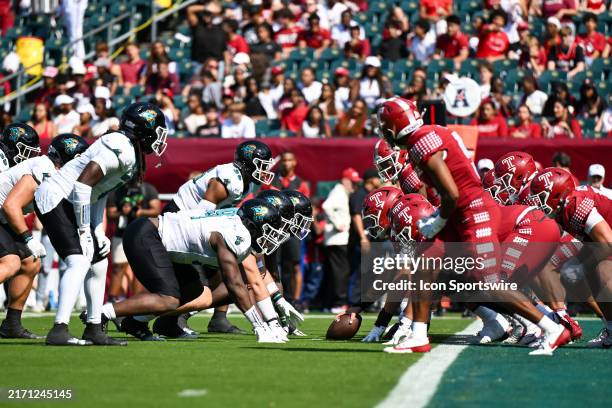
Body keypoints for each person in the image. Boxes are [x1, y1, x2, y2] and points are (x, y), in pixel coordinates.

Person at [33, 102, 168, 346]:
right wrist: (85, 231)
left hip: (72, 201)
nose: (160, 138)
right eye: (157, 131)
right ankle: (59, 329)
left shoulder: (129, 152)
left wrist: (96, 230)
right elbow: (83, 185)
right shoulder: (120, 148)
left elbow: (99, 191)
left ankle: (95, 327)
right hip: (56, 196)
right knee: (79, 261)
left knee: (99, 262)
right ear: (144, 130)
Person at [99, 199, 288, 343]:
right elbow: (234, 283)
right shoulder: (235, 234)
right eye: (268, 231)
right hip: (148, 236)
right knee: (168, 299)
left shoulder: (236, 225)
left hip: (161, 241)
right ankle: (102, 313)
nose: (271, 237)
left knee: (193, 289)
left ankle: (136, 322)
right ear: (253, 227)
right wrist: (259, 326)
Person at [156, 140, 275, 336]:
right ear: (247, 163)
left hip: (197, 222)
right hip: (182, 221)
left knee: (226, 272)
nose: (265, 171)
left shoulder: (244, 184)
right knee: (201, 283)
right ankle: (163, 317)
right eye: (261, 165)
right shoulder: (230, 179)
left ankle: (217, 319)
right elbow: (201, 215)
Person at [0, 134, 88, 339]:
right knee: (11, 263)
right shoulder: (44, 169)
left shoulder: (49, 171)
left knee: (31, 262)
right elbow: (11, 206)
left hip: (2, 218)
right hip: (3, 214)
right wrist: (29, 238)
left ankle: (11, 324)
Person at [261, 151, 310, 303]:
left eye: (289, 160)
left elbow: (306, 207)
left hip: (293, 229)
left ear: (294, 162)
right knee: (273, 266)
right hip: (274, 229)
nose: (286, 163)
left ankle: (296, 300)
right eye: (283, 160)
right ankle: (275, 299)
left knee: (295, 264)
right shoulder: (271, 180)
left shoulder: (301, 183)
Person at [106, 181, 161, 304]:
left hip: (142, 234)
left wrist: (139, 212)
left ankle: (137, 298)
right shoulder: (117, 190)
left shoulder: (148, 189)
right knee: (118, 268)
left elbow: (156, 210)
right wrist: (123, 212)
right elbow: (110, 213)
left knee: (140, 268)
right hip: (122, 235)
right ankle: (112, 300)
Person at [321, 168, 361, 312]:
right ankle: (338, 303)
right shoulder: (338, 191)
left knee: (337, 272)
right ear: (345, 181)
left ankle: (333, 302)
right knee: (340, 272)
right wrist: (337, 223)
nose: (354, 186)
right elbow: (326, 206)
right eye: (353, 182)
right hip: (337, 239)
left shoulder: (342, 192)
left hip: (339, 239)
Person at [347, 168, 380, 306]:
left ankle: (364, 301)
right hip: (361, 239)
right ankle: (353, 302)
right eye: (378, 178)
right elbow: (356, 216)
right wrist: (363, 237)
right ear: (371, 179)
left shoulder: (370, 194)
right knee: (360, 271)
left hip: (370, 237)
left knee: (369, 271)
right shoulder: (359, 195)